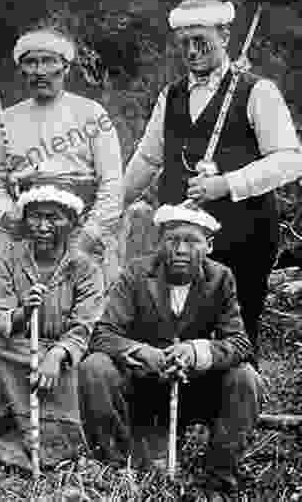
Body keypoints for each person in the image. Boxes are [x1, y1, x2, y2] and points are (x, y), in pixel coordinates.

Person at [123, 0, 302, 354]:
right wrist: (113, 205)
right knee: (177, 331)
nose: (191, 51)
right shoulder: (170, 96)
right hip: (180, 240)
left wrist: (226, 183)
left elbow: (289, 160)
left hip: (244, 237)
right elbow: (147, 158)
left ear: (224, 35)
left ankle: (236, 406)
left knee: (235, 334)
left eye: (200, 42)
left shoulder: (257, 91)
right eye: (183, 44)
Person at [79, 203, 260, 499]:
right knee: (95, 367)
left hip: (194, 388)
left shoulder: (220, 278)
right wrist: (143, 352)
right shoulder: (136, 273)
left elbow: (240, 343)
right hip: (142, 385)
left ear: (209, 245)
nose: (181, 249)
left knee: (246, 378)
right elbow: (103, 334)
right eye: (172, 239)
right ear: (159, 243)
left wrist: (196, 353)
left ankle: (218, 479)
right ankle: (112, 469)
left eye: (192, 241)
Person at [0, 26, 123, 284]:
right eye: (31, 63)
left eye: (48, 61)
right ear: (21, 70)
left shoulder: (92, 115)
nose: (39, 71)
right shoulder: (6, 120)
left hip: (81, 230)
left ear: (66, 67)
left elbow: (112, 185)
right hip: (25, 231)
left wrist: (88, 235)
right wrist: (6, 214)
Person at [0, 183, 105, 470]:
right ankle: (6, 428)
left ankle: (58, 442)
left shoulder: (85, 268)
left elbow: (85, 325)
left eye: (54, 218)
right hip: (19, 347)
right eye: (35, 217)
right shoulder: (9, 258)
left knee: (79, 368)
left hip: (62, 355)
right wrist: (23, 313)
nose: (43, 226)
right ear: (25, 221)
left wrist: (57, 354)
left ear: (72, 223)